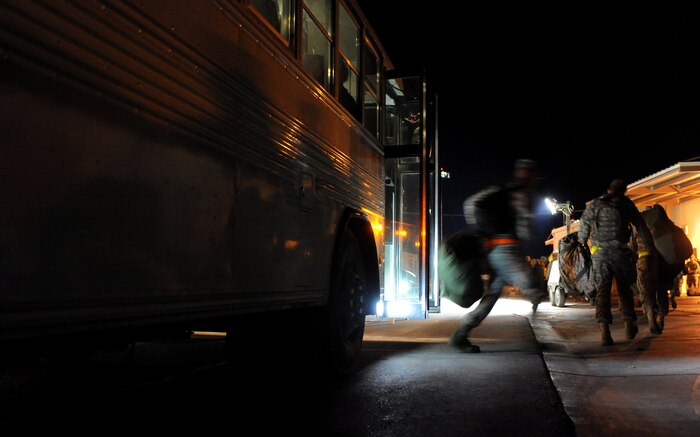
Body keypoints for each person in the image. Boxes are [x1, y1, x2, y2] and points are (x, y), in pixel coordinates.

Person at [448, 159, 547, 353]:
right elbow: (526, 229)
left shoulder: (501, 190)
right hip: (507, 251)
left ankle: (460, 334)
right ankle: (537, 342)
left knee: (492, 295)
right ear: (528, 175)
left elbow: (470, 203)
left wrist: (486, 231)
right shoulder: (522, 193)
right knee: (534, 288)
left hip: (496, 250)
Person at [578, 179, 655, 345]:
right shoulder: (626, 204)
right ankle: (628, 325)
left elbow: (582, 233)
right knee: (624, 290)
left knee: (602, 293)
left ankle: (605, 332)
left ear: (608, 189)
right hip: (621, 253)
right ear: (624, 191)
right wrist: (651, 247)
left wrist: (584, 242)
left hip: (600, 256)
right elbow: (641, 226)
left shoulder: (594, 205)